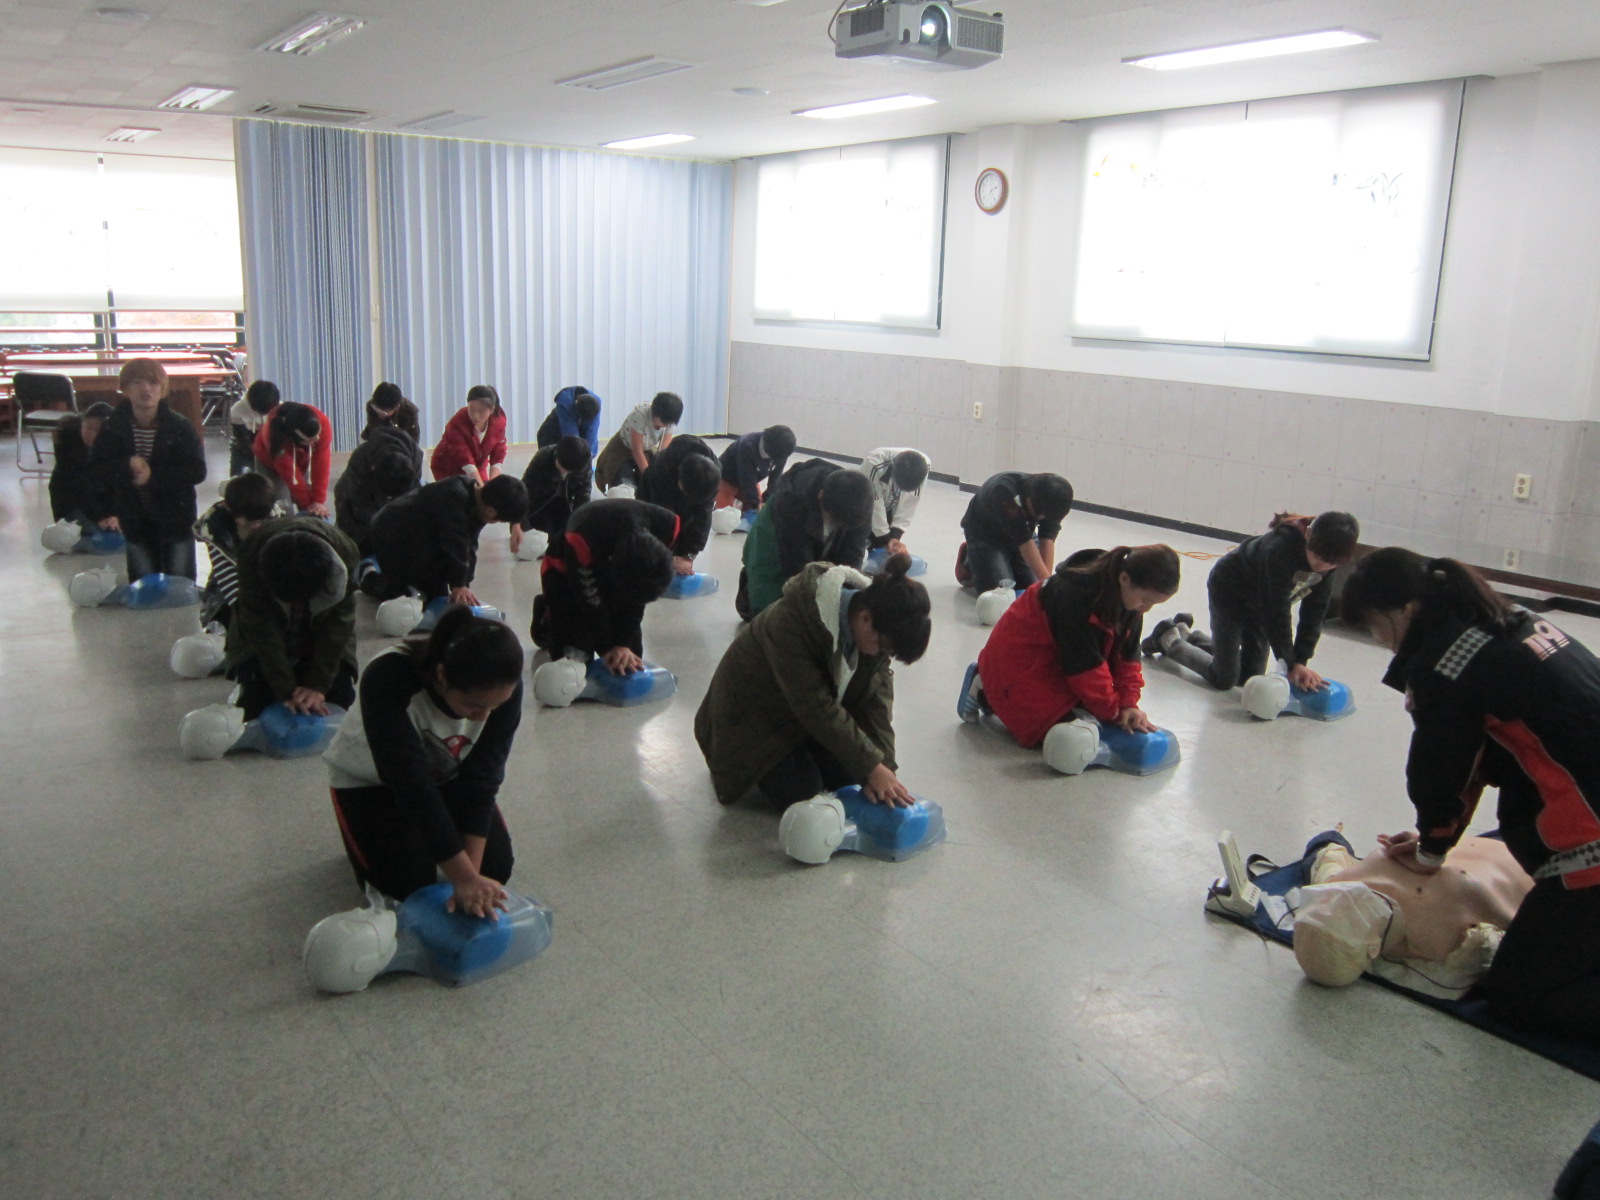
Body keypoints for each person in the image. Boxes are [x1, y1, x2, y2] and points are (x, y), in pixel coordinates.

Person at [1339, 547, 1600, 1042]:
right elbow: (1480, 762)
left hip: (1591, 844)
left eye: (1373, 624)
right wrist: (1436, 841)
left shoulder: (1446, 665)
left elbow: (1439, 771)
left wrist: (1431, 853)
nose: (1376, 639)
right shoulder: (1507, 622)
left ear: (1404, 609)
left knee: (1520, 995)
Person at [323, 607, 523, 915]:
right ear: (442, 675)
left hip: (447, 776)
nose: (483, 717)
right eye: (472, 705)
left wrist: (472, 877)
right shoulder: (388, 676)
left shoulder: (503, 687)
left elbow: (482, 780)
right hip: (369, 782)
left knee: (495, 868)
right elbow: (410, 786)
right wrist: (463, 878)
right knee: (408, 882)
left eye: (493, 708)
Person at [695, 554, 930, 809]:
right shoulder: (790, 623)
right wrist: (872, 766)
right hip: (747, 723)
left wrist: (885, 767)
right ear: (865, 618)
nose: (881, 655)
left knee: (855, 777)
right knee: (804, 791)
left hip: (796, 714)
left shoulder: (876, 622)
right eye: (883, 648)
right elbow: (816, 707)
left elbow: (876, 702)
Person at [969, 545, 1180, 748]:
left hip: (1058, 664)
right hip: (1019, 663)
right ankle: (985, 690)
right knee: (1061, 735)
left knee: (1083, 721)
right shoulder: (1076, 596)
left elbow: (1128, 660)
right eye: (1145, 600)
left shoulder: (1131, 604)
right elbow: (1085, 669)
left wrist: (1129, 704)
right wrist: (1116, 713)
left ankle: (993, 689)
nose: (1146, 609)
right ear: (1124, 578)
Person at [1143, 511, 1360, 692]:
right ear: (1308, 534)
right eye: (1318, 558)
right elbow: (1276, 611)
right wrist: (1289, 664)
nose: (1321, 567)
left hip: (1260, 605)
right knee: (1224, 678)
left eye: (1331, 564)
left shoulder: (1328, 561)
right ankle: (1168, 639)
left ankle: (1188, 635)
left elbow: (1314, 614)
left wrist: (1301, 661)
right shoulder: (1279, 549)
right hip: (1229, 592)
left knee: (1250, 676)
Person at [1291, 831, 1533, 989]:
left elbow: (1326, 847)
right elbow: (1327, 845)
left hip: (1488, 848)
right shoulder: (1443, 940)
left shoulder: (1335, 887)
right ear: (1373, 951)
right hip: (1526, 855)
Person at [224, 516, 360, 721]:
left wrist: (317, 686)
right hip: (263, 631)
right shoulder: (251, 556)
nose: (296, 607)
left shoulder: (346, 553)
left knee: (339, 696)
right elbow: (261, 628)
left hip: (322, 622)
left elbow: (338, 625)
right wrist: (287, 690)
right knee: (256, 702)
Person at [88, 358, 207, 581]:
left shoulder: (179, 427)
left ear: (163, 389)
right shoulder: (113, 427)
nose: (146, 389)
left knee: (180, 583)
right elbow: (98, 469)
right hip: (134, 519)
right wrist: (125, 466)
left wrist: (153, 476)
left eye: (153, 383)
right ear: (125, 389)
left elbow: (197, 470)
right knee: (143, 583)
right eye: (137, 382)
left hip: (175, 518)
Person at [531, 497, 677, 674]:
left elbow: (638, 595)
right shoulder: (582, 535)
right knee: (575, 663)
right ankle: (547, 614)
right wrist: (607, 648)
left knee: (630, 661)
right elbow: (589, 601)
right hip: (565, 573)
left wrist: (622, 644)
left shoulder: (666, 526)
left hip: (615, 569)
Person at [736, 458, 874, 621]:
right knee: (774, 612)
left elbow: (852, 556)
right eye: (835, 520)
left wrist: (847, 599)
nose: (838, 525)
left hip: (822, 523)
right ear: (821, 495)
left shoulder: (860, 504)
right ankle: (749, 595)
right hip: (777, 534)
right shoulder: (792, 500)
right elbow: (797, 565)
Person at [361, 474, 526, 605]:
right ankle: (367, 575)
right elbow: (456, 543)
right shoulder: (453, 497)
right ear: (490, 512)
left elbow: (470, 545)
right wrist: (458, 585)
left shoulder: (479, 500)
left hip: (424, 537)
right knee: (409, 599)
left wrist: (464, 585)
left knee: (438, 596)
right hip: (393, 535)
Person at [956, 471, 1075, 594]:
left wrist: (1046, 585)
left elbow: (1047, 540)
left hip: (1023, 534)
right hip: (985, 535)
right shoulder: (1004, 491)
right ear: (1029, 500)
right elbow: (1025, 543)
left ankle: (1002, 561)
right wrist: (1047, 588)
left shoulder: (1055, 501)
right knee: (1001, 593)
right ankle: (969, 562)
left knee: (1031, 588)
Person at [195, 472, 282, 628]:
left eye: (260, 520)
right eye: (250, 521)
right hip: (228, 597)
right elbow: (230, 582)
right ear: (231, 509)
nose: (256, 526)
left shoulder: (272, 513)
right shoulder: (216, 527)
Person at [636, 433, 721, 575]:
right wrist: (662, 554)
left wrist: (688, 555)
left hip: (685, 485)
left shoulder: (711, 476)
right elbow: (660, 516)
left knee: (689, 522)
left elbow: (704, 515)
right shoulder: (661, 469)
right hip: (651, 492)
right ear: (680, 481)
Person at [333, 425, 424, 554]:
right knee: (360, 542)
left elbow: (413, 498)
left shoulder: (415, 457)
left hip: (388, 491)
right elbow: (359, 506)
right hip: (352, 502)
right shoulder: (361, 461)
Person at [253, 400, 334, 518]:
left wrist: (317, 502)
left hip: (300, 459)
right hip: (270, 463)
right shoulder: (275, 437)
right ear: (293, 438)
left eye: (317, 435)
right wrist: (307, 506)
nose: (316, 440)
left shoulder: (322, 422)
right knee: (282, 510)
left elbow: (321, 462)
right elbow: (290, 474)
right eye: (310, 440)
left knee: (314, 507)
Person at [594, 391, 682, 492]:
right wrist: (649, 477)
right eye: (663, 422)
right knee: (625, 484)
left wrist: (657, 474)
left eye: (668, 424)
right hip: (622, 449)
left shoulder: (670, 420)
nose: (665, 426)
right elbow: (637, 450)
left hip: (646, 450)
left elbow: (662, 451)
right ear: (655, 414)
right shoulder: (639, 415)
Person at [48, 402, 114, 532]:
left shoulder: (115, 445)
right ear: (82, 422)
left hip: (102, 503)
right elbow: (79, 485)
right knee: (96, 533)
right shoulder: (67, 442)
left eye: (97, 431)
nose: (91, 435)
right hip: (71, 503)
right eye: (88, 428)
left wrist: (116, 515)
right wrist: (99, 517)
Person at [518, 435, 592, 543]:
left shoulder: (583, 461)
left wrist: (581, 524)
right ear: (556, 455)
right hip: (541, 504)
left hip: (565, 504)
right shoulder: (543, 458)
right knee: (542, 531)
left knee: (569, 531)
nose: (565, 473)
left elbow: (583, 496)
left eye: (570, 472)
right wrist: (518, 523)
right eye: (563, 468)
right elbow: (524, 493)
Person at [858, 447, 930, 556]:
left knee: (882, 544)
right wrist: (884, 538)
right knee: (861, 541)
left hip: (890, 504)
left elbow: (912, 500)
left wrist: (895, 536)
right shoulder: (874, 463)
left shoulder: (924, 466)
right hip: (864, 502)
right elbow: (874, 502)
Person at [430, 384, 507, 483]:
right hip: (447, 466)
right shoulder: (457, 422)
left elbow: (498, 453)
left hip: (477, 465)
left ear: (491, 410)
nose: (475, 416)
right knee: (464, 490)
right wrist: (481, 488)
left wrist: (492, 484)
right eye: (471, 410)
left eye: (481, 411)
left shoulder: (498, 422)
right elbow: (464, 458)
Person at [717, 424, 796, 514]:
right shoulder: (747, 445)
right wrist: (756, 505)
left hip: (752, 480)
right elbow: (747, 480)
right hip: (725, 479)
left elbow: (775, 481)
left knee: (757, 513)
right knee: (725, 516)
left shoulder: (782, 452)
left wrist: (765, 502)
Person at [227, 380, 279, 478]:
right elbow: (242, 438)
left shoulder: (279, 408)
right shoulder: (237, 410)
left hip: (269, 446)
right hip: (244, 446)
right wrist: (255, 451)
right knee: (238, 478)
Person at [536, 386, 601, 460]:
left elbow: (592, 433)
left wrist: (588, 455)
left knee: (586, 453)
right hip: (551, 434)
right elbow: (571, 438)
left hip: (579, 427)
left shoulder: (595, 404)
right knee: (555, 458)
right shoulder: (565, 403)